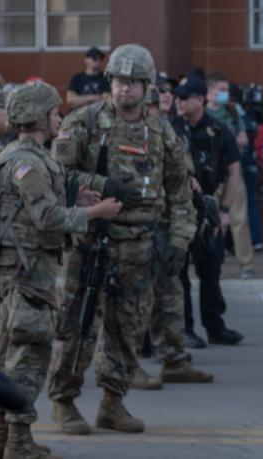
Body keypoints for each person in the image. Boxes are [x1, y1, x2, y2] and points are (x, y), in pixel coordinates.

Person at [48, 44, 194, 436]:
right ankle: (64, 400)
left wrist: (179, 242)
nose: (124, 89)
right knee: (78, 327)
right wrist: (101, 184)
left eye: (132, 82)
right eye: (118, 80)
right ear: (109, 82)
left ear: (146, 86)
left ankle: (113, 403)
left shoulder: (162, 131)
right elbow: (55, 175)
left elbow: (181, 192)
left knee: (127, 329)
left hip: (140, 245)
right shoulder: (84, 122)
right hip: (93, 241)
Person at [0, 83, 121, 458]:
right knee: (28, 355)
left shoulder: (32, 157)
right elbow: (47, 217)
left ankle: (5, 438)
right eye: (53, 113)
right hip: (26, 275)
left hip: (25, 271)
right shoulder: (26, 161)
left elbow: (39, 204)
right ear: (38, 117)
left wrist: (76, 198)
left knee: (12, 355)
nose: (58, 118)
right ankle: (18, 443)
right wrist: (93, 214)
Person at [137, 86, 214, 387]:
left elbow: (185, 176)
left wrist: (181, 233)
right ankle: (129, 365)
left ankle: (173, 359)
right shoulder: (121, 134)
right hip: (133, 229)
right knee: (133, 301)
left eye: (157, 105)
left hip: (164, 226)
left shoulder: (167, 134)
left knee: (170, 294)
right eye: (152, 105)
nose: (156, 111)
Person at [172, 75, 245, 348]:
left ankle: (215, 326)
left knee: (210, 272)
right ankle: (185, 328)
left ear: (200, 100)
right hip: (178, 209)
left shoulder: (218, 131)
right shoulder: (170, 129)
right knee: (178, 275)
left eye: (184, 98)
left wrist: (225, 210)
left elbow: (234, 172)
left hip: (208, 208)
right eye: (177, 98)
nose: (178, 102)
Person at [204, 72, 255, 280]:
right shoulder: (202, 114)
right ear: (209, 92)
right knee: (210, 221)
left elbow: (244, 140)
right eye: (221, 90)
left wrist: (226, 139)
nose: (225, 94)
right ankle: (211, 261)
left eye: (226, 90)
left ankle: (246, 264)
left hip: (233, 173)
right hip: (209, 176)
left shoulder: (233, 113)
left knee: (239, 220)